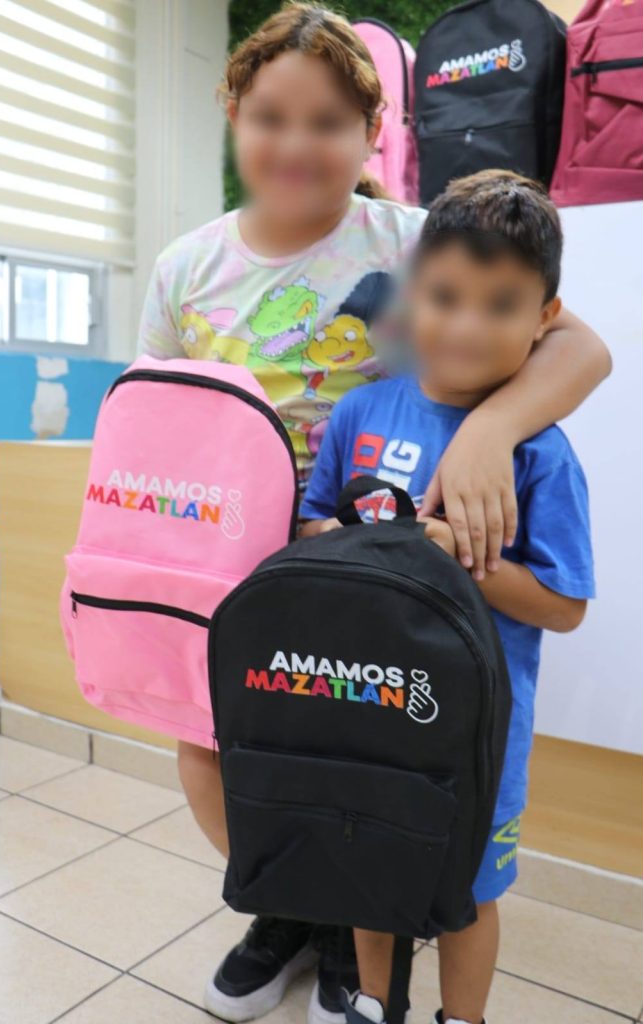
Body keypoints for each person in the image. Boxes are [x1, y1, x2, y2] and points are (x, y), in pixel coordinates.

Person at [136, 5, 609, 1021]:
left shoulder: (414, 238)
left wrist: (489, 431)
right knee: (222, 753)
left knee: (367, 762)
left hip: (391, 592)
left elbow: (576, 345)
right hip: (249, 564)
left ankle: (354, 923)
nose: (297, 144)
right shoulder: (184, 268)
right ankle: (292, 903)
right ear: (233, 114)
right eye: (270, 117)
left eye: (328, 122)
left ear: (371, 131)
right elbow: (153, 415)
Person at [299, 169, 596, 1024]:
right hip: (363, 707)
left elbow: (563, 606)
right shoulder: (360, 413)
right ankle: (367, 1004)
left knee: (467, 894)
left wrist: (460, 561)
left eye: (499, 305)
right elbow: (312, 525)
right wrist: (350, 539)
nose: (465, 326)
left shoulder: (538, 452)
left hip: (476, 735)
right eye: (444, 297)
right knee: (368, 873)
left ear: (543, 318)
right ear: (411, 295)